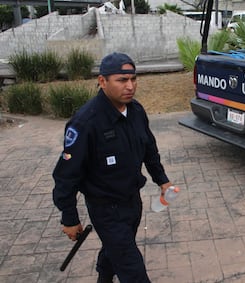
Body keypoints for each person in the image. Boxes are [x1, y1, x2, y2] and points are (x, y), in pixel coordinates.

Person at [52, 52, 174, 283]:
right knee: (132, 268)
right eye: (121, 80)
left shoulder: (136, 111)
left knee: (116, 249)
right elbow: (65, 175)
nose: (130, 86)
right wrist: (69, 217)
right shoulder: (86, 122)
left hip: (131, 201)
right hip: (105, 208)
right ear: (102, 81)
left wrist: (162, 180)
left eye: (133, 79)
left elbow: (149, 148)